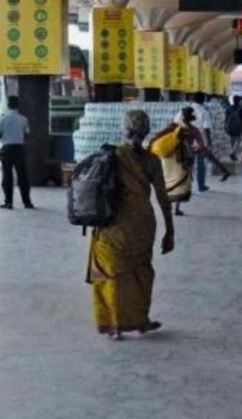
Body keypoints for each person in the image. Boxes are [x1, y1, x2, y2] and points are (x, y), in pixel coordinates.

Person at [86, 110, 174, 340]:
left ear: (123, 129)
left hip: (114, 224)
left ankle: (114, 326)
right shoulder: (152, 160)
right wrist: (170, 231)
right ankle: (141, 320)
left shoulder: (112, 156)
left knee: (112, 273)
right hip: (143, 225)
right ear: (146, 133)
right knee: (140, 272)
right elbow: (163, 198)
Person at [149, 106, 200, 216]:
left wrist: (150, 145)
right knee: (180, 182)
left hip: (169, 159)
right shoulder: (191, 129)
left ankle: (170, 206)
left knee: (170, 181)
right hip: (181, 159)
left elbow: (157, 135)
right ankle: (176, 208)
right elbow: (197, 145)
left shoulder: (173, 126)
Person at [0, 95, 32, 209]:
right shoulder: (24, 119)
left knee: (7, 175)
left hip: (7, 148)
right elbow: (27, 133)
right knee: (22, 175)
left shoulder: (2, 118)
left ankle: (8, 202)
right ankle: (27, 202)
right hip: (19, 148)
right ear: (18, 105)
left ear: (8, 105)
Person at [224, 95, 242, 161]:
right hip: (238, 127)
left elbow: (226, 118)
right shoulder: (241, 108)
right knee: (239, 140)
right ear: (239, 101)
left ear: (233, 100)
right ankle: (233, 152)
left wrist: (225, 126)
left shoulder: (229, 108)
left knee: (232, 140)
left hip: (230, 126)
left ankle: (233, 153)